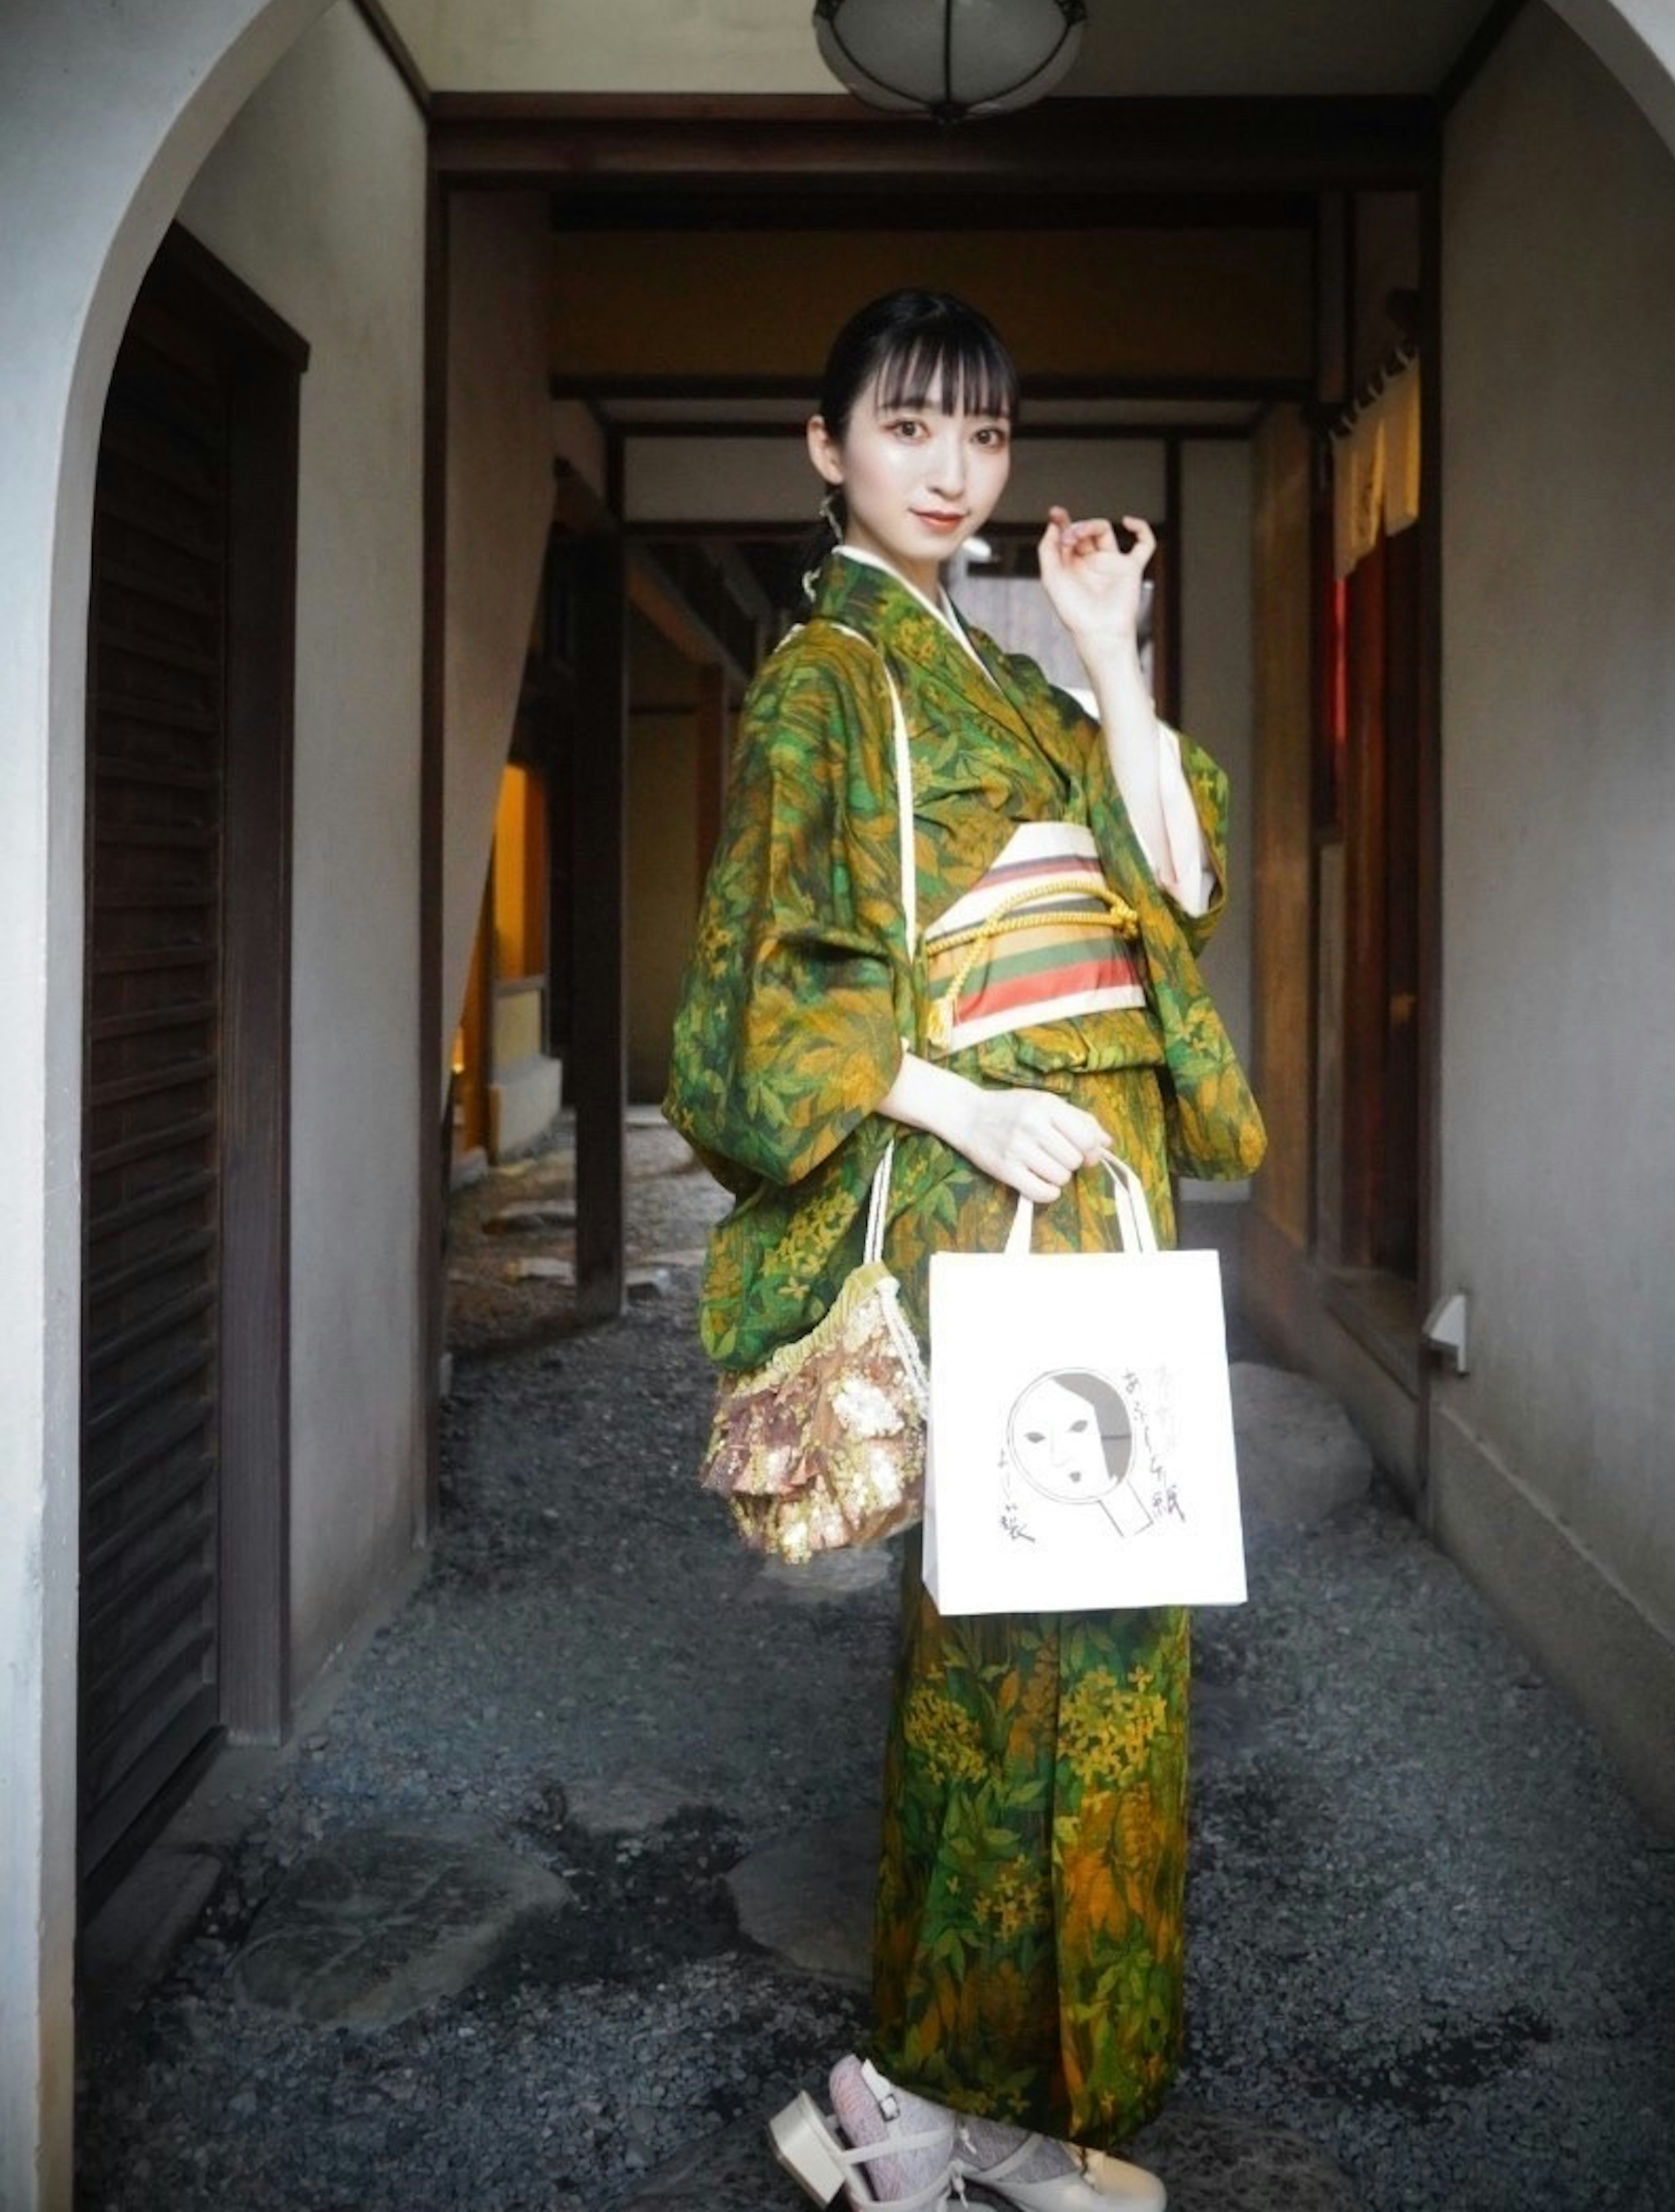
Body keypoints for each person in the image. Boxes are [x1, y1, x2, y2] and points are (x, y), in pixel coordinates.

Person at [665, 291, 1264, 2212]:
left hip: (1098, 1186)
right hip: (993, 1182)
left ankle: (1017, 2090)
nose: (952, 468)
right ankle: (924, 2097)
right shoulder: (824, 678)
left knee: (1119, 1621)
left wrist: (1111, 652)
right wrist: (960, 1108)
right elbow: (763, 1008)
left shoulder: (1000, 666)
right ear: (824, 444)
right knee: (1019, 1638)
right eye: (909, 427)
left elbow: (1173, 884)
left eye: (985, 436)